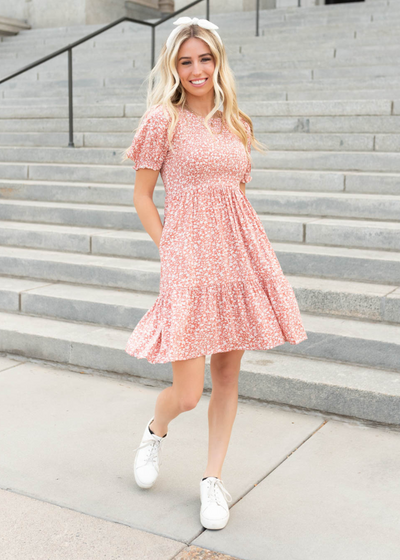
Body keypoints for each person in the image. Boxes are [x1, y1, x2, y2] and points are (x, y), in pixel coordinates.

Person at [121, 15, 307, 531]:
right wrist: (171, 249)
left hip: (237, 258)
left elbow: (236, 196)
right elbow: (142, 195)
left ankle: (212, 480)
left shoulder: (236, 122)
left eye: (205, 59)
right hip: (188, 263)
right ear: (174, 68)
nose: (197, 70)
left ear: (218, 61)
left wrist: (247, 254)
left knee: (227, 375)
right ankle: (155, 432)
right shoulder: (163, 120)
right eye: (186, 61)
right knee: (185, 392)